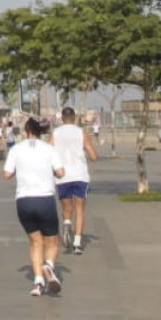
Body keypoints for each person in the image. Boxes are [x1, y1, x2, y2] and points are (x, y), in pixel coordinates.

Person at [2, 116, 65, 295]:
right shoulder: (49, 149)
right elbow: (61, 172)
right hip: (45, 199)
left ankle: (38, 283)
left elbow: (7, 174)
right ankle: (49, 265)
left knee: (35, 241)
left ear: (26, 132)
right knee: (52, 241)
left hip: (24, 201)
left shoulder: (16, 149)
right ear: (39, 132)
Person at [51, 106, 98, 255]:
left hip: (62, 176)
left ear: (62, 118)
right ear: (74, 117)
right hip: (80, 175)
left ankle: (66, 223)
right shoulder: (81, 133)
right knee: (79, 209)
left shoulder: (55, 133)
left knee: (67, 208)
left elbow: (49, 153)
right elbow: (93, 156)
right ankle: (77, 243)